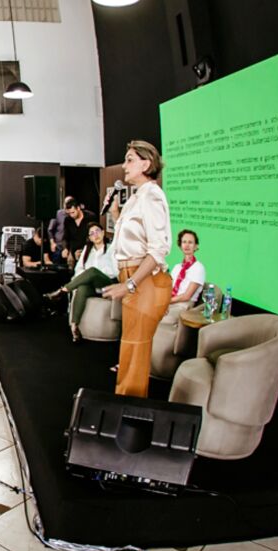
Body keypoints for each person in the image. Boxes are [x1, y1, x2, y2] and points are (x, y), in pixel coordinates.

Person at [102, 140, 173, 398]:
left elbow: (158, 249)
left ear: (147, 163)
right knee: (130, 349)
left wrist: (130, 284)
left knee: (136, 350)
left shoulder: (153, 195)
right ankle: (123, 406)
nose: (124, 165)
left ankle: (128, 411)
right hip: (131, 277)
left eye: (130, 159)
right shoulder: (137, 197)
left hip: (145, 281)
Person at [46, 223, 116, 342]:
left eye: (97, 231)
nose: (96, 235)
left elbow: (115, 271)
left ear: (103, 232)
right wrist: (85, 277)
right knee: (83, 287)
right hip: (92, 287)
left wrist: (93, 274)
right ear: (89, 238)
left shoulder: (111, 249)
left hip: (106, 283)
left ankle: (62, 291)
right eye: (92, 234)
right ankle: (74, 327)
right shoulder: (87, 251)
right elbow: (78, 269)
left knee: (92, 271)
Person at [169, 229, 205, 306]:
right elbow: (168, 288)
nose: (187, 245)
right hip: (170, 301)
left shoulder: (198, 267)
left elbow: (187, 296)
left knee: (162, 318)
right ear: (180, 246)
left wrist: (166, 302)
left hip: (183, 305)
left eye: (190, 242)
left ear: (195, 246)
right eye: (184, 242)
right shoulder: (177, 267)